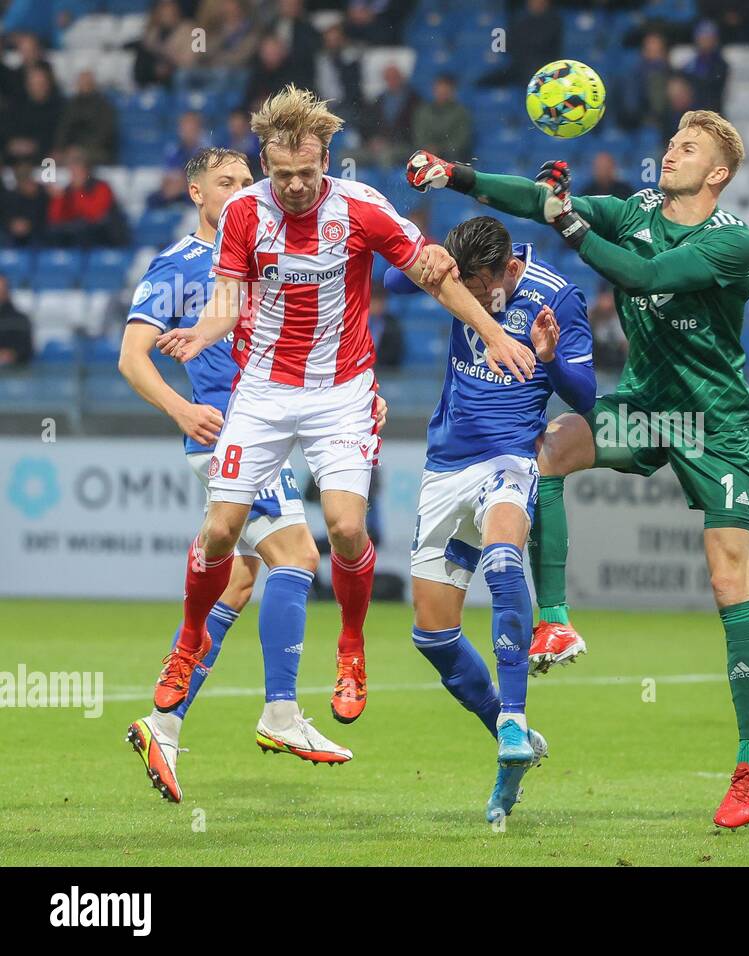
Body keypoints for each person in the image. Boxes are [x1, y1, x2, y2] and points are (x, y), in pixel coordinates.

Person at [406, 109, 749, 828]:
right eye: (670, 142)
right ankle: (557, 622)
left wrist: (572, 226)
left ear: (720, 172)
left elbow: (645, 272)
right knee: (546, 452)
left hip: (712, 423)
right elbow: (534, 204)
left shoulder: (734, 243)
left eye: (688, 148)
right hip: (643, 403)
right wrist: (457, 176)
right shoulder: (635, 208)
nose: (671, 153)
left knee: (730, 581)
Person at [149, 87, 534, 758]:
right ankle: (188, 642)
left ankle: (351, 645)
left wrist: (493, 334)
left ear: (326, 158)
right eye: (282, 174)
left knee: (348, 527)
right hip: (263, 389)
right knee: (220, 530)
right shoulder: (244, 213)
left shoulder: (360, 208)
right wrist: (199, 332)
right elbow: (228, 303)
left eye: (307, 173)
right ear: (266, 162)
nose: (295, 187)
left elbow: (435, 274)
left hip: (342, 390)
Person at [119, 147, 355, 801]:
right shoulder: (177, 266)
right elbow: (131, 357)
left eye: (247, 181)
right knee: (300, 557)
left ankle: (162, 724)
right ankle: (280, 712)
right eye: (226, 182)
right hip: (226, 435)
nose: (242, 191)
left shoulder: (262, 257)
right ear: (196, 193)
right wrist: (180, 407)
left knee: (238, 583)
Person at [383, 215, 595, 821]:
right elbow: (391, 278)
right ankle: (505, 728)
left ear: (507, 269)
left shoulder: (557, 296)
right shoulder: (456, 274)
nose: (470, 301)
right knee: (433, 636)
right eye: (464, 289)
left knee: (504, 559)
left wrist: (551, 361)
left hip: (509, 457)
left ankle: (513, 722)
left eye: (481, 289)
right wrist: (416, 255)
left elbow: (586, 396)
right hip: (446, 465)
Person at [0, 275, 33, 368]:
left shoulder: (20, 319)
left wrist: (12, 354)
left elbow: (28, 349)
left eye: (2, 290)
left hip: (15, 373)